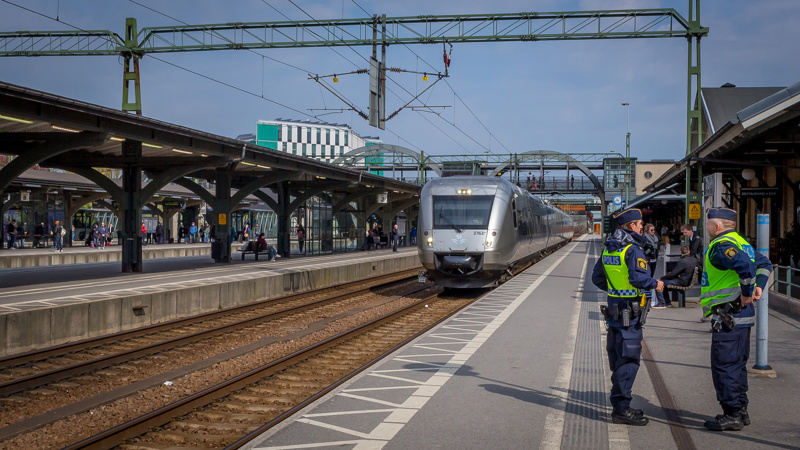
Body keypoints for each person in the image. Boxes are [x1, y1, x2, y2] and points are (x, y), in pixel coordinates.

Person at [700, 207, 772, 432]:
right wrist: (758, 286)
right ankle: (741, 410)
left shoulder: (721, 246)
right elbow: (764, 264)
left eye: (708, 223)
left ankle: (731, 415)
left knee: (724, 366)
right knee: (737, 365)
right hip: (741, 316)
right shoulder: (742, 243)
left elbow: (744, 267)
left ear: (717, 226)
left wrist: (746, 291)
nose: (707, 227)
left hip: (728, 314)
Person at [592, 207, 664, 426]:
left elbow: (597, 278)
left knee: (617, 359)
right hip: (629, 315)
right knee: (628, 361)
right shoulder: (632, 250)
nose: (642, 228)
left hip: (614, 312)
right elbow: (639, 279)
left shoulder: (610, 248)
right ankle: (621, 409)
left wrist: (616, 291)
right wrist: (656, 283)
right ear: (632, 226)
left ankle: (620, 405)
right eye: (640, 225)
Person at [642, 223, 662, 308]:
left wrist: (656, 256)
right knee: (647, 277)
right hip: (648, 260)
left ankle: (649, 296)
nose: (653, 231)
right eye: (651, 230)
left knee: (651, 276)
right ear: (647, 230)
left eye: (654, 230)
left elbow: (657, 248)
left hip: (654, 259)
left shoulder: (655, 238)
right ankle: (647, 297)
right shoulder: (645, 238)